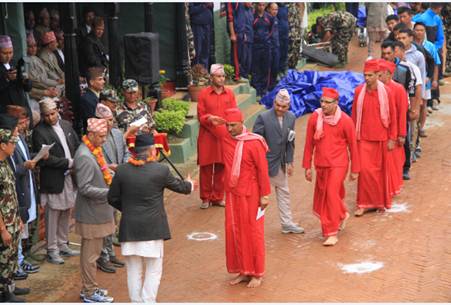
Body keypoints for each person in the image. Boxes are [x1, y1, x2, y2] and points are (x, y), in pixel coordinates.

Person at [108, 133, 194, 303]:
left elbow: (112, 198)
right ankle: (148, 301)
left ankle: (137, 302)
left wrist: (129, 210)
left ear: (134, 152)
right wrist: (190, 184)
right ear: (152, 150)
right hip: (152, 229)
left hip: (130, 228)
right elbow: (181, 187)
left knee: (133, 270)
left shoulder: (122, 170)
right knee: (153, 270)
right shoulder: (160, 170)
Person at [208, 108, 271, 288]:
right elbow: (207, 122)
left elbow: (262, 170)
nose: (229, 128)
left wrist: (265, 195)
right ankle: (243, 270)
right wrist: (218, 119)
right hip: (233, 194)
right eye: (227, 125)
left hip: (251, 194)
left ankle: (257, 272)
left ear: (242, 122)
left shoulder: (254, 142)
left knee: (253, 232)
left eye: (233, 125)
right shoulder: (226, 137)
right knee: (235, 231)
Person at [302, 88, 359, 246]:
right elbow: (309, 144)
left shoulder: (345, 121)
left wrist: (355, 169)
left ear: (336, 103)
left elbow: (353, 146)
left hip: (339, 164)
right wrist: (307, 166)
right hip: (321, 164)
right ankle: (341, 213)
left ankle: (331, 232)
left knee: (331, 194)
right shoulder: (315, 118)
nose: (323, 105)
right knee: (326, 195)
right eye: (322, 101)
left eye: (327, 102)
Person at [32, 98, 80, 264]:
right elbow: (45, 160)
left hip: (69, 175)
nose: (50, 118)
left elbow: (76, 143)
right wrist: (68, 162)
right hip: (53, 178)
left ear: (57, 111)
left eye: (52, 114)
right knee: (53, 214)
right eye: (46, 115)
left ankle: (63, 243)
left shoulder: (66, 125)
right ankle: (52, 249)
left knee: (66, 210)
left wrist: (76, 160)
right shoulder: (39, 131)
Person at [74, 118, 115, 303]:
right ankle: (89, 292)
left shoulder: (94, 150)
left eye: (105, 135)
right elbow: (84, 188)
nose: (104, 140)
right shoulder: (84, 155)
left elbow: (101, 173)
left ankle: (90, 289)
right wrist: (110, 192)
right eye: (101, 136)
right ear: (90, 135)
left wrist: (112, 173)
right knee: (90, 256)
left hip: (98, 212)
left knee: (93, 254)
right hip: (92, 214)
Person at [253, 89, 303, 234]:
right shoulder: (263, 117)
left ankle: (287, 223)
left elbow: (290, 141)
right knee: (259, 197)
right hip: (263, 164)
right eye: (277, 105)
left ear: (289, 106)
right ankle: (254, 224)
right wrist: (258, 163)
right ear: (274, 102)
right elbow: (256, 142)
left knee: (284, 193)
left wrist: (289, 161)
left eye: (284, 107)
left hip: (279, 164)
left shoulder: (291, 118)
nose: (280, 109)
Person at [352, 59, 397, 216]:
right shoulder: (359, 92)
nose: (367, 78)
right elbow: (354, 116)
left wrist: (392, 138)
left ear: (378, 75)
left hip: (381, 138)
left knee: (379, 172)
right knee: (364, 171)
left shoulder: (387, 92)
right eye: (365, 75)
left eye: (370, 75)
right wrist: (353, 139)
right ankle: (363, 204)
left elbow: (393, 116)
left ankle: (378, 202)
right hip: (363, 138)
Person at [6, 106, 41, 280]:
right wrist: (24, 167)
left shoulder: (20, 138)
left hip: (26, 188)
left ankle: (19, 261)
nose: (23, 125)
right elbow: (11, 169)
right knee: (16, 234)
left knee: (22, 229)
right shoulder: (7, 141)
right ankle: (15, 267)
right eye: (19, 123)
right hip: (15, 194)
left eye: (24, 121)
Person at [197, 64, 237, 209]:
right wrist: (210, 118)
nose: (221, 79)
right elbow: (200, 116)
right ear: (212, 77)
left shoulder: (230, 94)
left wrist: (232, 127)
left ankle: (218, 197)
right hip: (207, 135)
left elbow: (234, 113)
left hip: (225, 135)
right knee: (206, 168)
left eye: (223, 76)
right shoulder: (203, 94)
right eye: (218, 76)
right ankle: (206, 198)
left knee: (222, 167)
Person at [0, 114, 30, 302]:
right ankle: (4, 292)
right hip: (4, 224)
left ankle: (9, 286)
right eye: (12, 142)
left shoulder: (5, 164)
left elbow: (10, 195)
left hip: (12, 220)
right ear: (2, 145)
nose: (14, 145)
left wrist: (18, 218)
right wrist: (3, 229)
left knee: (10, 258)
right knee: (3, 260)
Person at [94, 103, 127, 273]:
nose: (110, 123)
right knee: (105, 222)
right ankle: (103, 257)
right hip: (103, 184)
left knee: (113, 220)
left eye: (111, 119)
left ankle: (111, 253)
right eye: (107, 120)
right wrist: (110, 168)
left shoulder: (117, 133)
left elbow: (126, 152)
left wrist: (123, 167)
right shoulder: (95, 139)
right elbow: (97, 161)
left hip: (118, 181)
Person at [378, 60, 409, 197]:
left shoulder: (398, 89)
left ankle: (392, 188)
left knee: (394, 162)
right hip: (381, 132)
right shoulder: (377, 89)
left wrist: (401, 134)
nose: (377, 77)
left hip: (394, 133)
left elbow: (402, 113)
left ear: (388, 74)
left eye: (380, 74)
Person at [0, 35, 33, 116]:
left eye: (10, 52)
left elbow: (27, 88)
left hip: (22, 105)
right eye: (4, 53)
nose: (8, 56)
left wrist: (26, 80)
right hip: (6, 110)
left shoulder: (15, 63)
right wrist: (6, 79)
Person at [251, 3, 274, 97]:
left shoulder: (269, 17)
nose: (261, 7)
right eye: (259, 5)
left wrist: (266, 39)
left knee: (265, 68)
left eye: (263, 5)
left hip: (266, 46)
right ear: (256, 5)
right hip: (256, 46)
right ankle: (257, 89)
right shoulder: (252, 17)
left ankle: (264, 90)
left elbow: (271, 31)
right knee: (256, 68)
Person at [226, 3, 254, 81]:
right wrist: (232, 34)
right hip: (238, 34)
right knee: (238, 58)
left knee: (247, 59)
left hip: (248, 35)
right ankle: (237, 77)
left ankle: (244, 76)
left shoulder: (250, 9)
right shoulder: (234, 3)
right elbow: (230, 18)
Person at [80, 67, 105, 132]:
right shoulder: (87, 99)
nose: (103, 81)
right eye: (100, 79)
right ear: (91, 82)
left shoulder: (101, 95)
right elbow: (93, 121)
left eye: (103, 79)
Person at [188, 3, 213, 69]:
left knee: (205, 51)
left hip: (207, 24)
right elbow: (190, 10)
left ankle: (204, 72)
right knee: (197, 51)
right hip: (197, 25)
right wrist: (204, 6)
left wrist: (210, 5)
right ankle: (196, 74)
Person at [267, 3, 279, 90]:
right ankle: (268, 86)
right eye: (273, 9)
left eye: (276, 10)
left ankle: (274, 84)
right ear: (269, 9)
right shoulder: (267, 19)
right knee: (269, 68)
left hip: (276, 46)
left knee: (275, 66)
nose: (275, 11)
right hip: (269, 47)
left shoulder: (276, 19)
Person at [277, 3, 289, 73]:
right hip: (279, 34)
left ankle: (283, 69)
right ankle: (278, 70)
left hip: (285, 34)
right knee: (279, 53)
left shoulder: (285, 8)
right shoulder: (275, 7)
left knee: (284, 52)